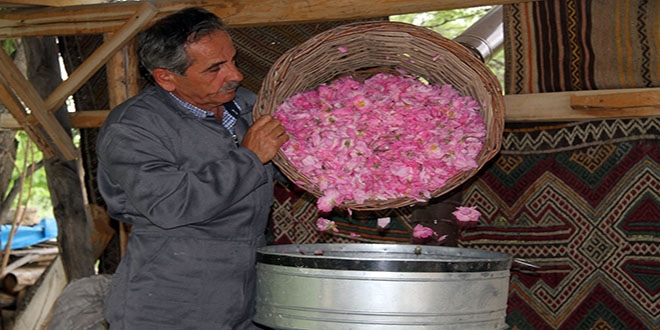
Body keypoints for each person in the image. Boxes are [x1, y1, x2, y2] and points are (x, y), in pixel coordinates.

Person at [96, 7, 288, 330]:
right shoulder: (132, 128)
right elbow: (171, 204)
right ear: (166, 78)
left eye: (232, 59)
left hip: (245, 298)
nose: (236, 75)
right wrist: (250, 158)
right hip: (170, 305)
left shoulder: (245, 105)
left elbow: (279, 166)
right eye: (215, 68)